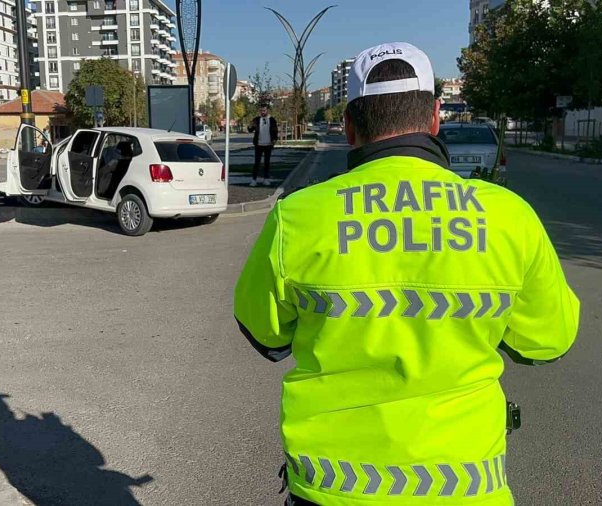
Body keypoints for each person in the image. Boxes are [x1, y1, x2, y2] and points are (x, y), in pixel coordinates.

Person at [234, 42, 579, 506]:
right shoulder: (508, 217)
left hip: (331, 490)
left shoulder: (297, 217)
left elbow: (265, 333)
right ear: (435, 118)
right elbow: (548, 341)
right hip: (465, 491)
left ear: (351, 126)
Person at [247, 105, 279, 187]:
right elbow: (250, 130)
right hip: (259, 145)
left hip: (268, 144)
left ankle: (266, 179)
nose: (262, 112)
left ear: (267, 110)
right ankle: (254, 180)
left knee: (266, 163)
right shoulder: (257, 120)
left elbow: (275, 131)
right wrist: (250, 126)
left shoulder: (272, 120)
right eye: (261, 110)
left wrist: (274, 140)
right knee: (256, 163)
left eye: (264, 110)